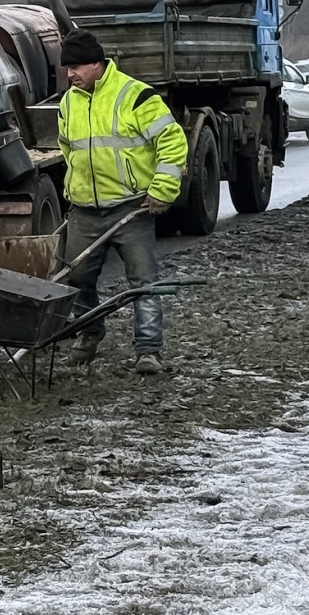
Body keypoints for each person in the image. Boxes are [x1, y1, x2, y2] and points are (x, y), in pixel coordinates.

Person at [57, 30, 189, 375]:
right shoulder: (69, 101)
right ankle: (89, 332)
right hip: (84, 211)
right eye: (67, 67)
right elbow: (68, 149)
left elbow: (173, 144)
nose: (71, 74)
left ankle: (148, 351)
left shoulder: (136, 97)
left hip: (131, 209)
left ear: (98, 64)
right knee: (76, 280)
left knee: (143, 282)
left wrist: (161, 190)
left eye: (77, 66)